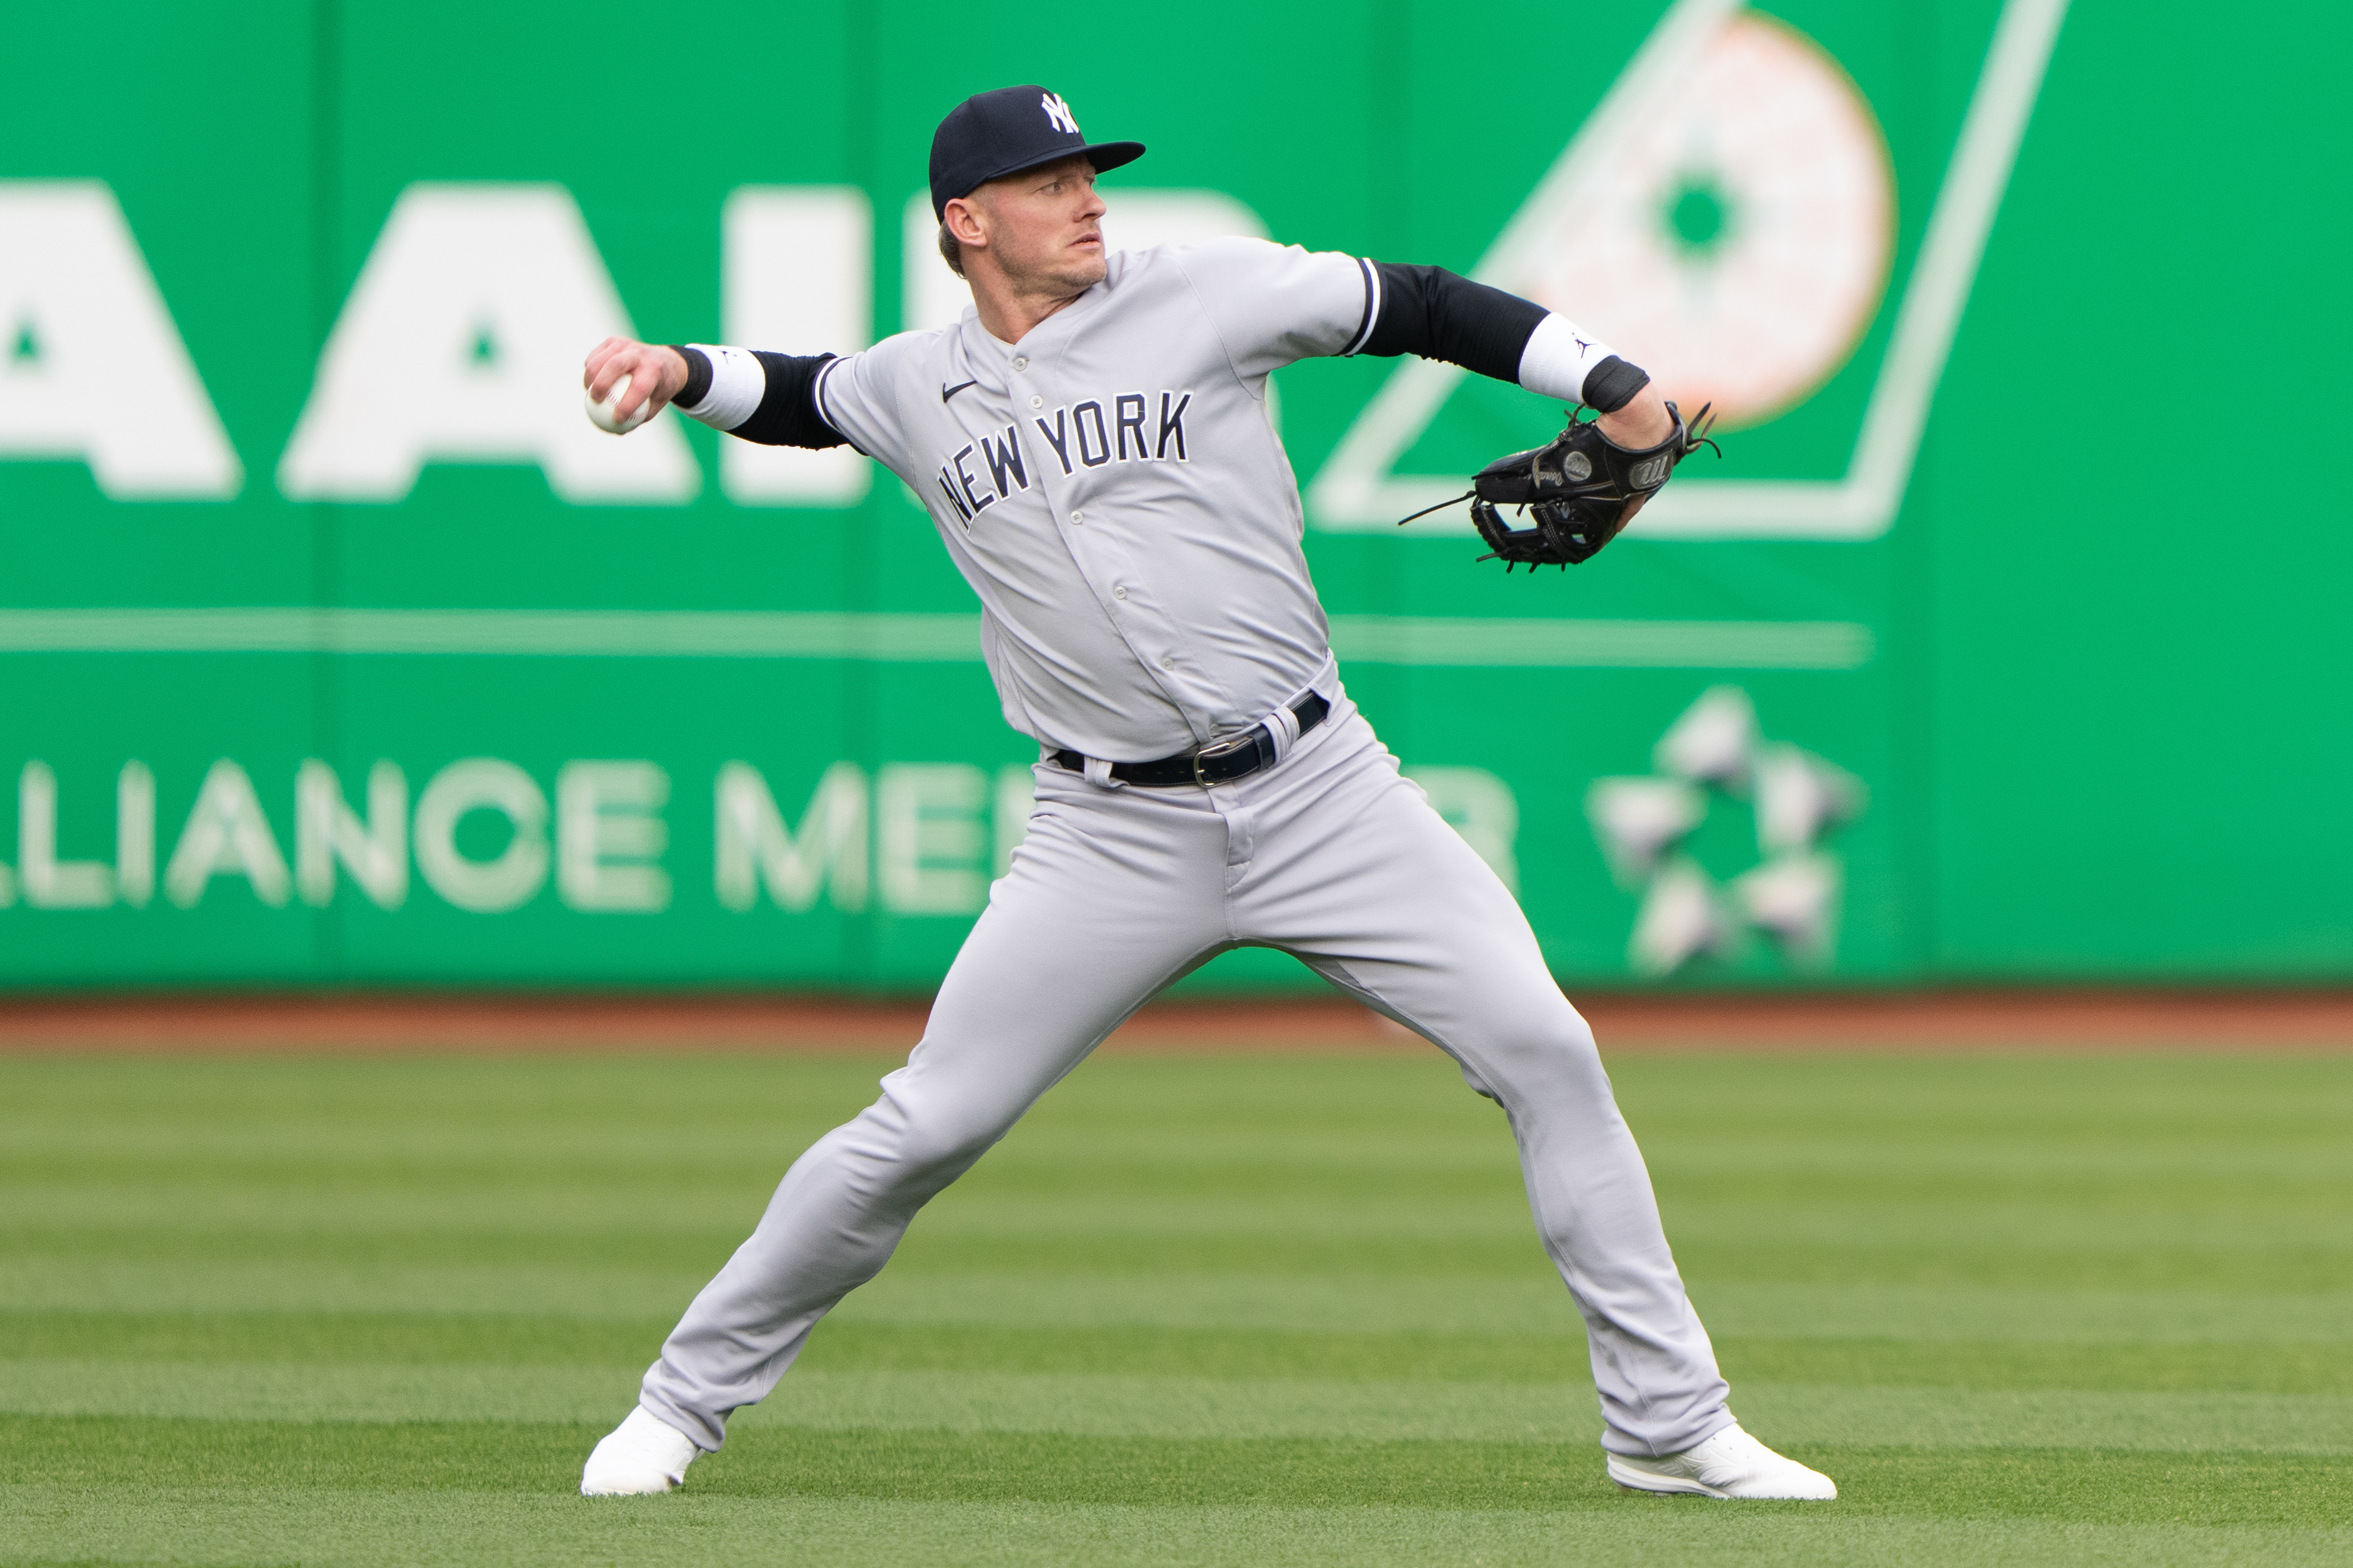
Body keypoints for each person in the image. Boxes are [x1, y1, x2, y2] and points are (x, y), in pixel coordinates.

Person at [576, 83, 1834, 1503]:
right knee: (926, 1123)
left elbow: (1415, 302)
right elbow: (803, 394)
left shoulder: (1208, 295)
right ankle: (678, 1404)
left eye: (1091, 174)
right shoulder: (915, 384)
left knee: (1547, 1047)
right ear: (967, 222)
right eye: (1052, 182)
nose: (1089, 198)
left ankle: (1669, 1426)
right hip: (1108, 833)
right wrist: (678, 367)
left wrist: (1611, 384)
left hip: (1324, 790)